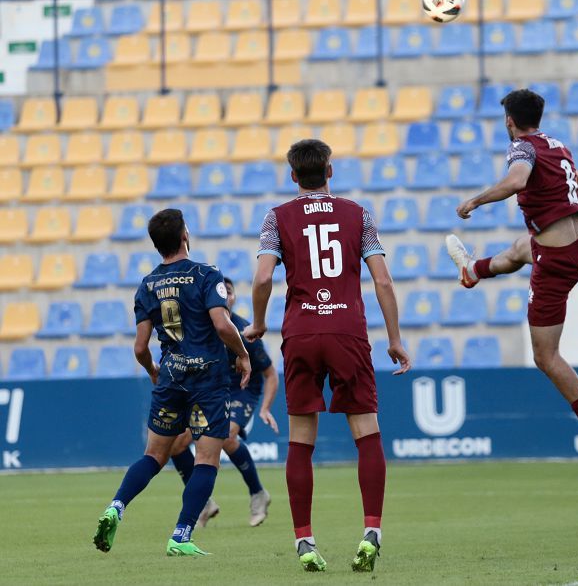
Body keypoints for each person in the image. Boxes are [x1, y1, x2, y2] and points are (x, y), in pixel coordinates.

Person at [243, 139, 411, 573]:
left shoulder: (276, 217)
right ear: (330, 173)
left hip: (300, 332)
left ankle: (305, 541)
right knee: (366, 431)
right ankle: (372, 530)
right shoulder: (359, 214)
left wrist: (259, 323)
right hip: (347, 331)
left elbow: (262, 276)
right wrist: (394, 338)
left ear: (293, 176)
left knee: (301, 437)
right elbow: (385, 283)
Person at [445, 88, 578, 477]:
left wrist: (475, 200)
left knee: (545, 356)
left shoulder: (521, 147)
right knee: (520, 249)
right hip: (574, 243)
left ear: (509, 121)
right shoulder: (556, 144)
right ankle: (473, 270)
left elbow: (517, 180)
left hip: (556, 261)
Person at [93, 209, 251, 557]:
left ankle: (116, 506)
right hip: (208, 378)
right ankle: (181, 535)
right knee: (208, 459)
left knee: (153, 455)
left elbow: (139, 347)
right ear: (185, 236)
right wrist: (243, 354)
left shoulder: (147, 285)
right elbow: (223, 326)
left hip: (171, 375)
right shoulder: (207, 275)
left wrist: (154, 370)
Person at [168, 276, 278, 528]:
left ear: (233, 298)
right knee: (176, 444)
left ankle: (258, 494)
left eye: (229, 292)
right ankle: (205, 502)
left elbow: (270, 374)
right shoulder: (201, 328)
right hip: (210, 389)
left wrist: (265, 407)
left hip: (242, 390)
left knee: (227, 435)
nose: (224, 296)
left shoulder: (245, 331)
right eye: (221, 292)